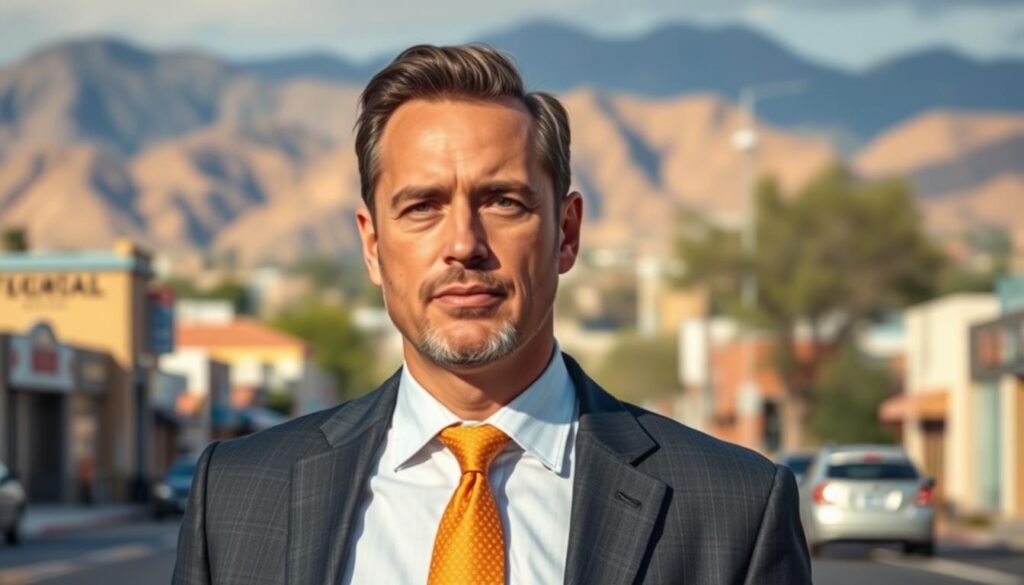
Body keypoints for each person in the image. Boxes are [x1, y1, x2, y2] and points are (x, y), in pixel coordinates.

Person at [172, 44, 812, 585]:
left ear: (566, 233)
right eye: (422, 206)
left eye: (503, 202)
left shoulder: (733, 512)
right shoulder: (236, 498)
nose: (464, 244)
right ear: (372, 245)